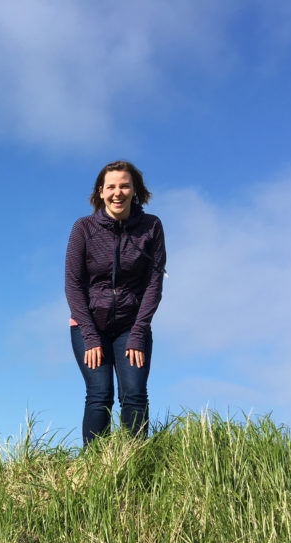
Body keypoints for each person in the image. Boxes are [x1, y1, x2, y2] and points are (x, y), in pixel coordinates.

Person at [64, 160, 166, 445]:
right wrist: (90, 335)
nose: (117, 193)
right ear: (100, 192)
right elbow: (72, 285)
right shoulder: (83, 228)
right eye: (111, 187)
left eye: (124, 186)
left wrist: (138, 333)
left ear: (135, 190)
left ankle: (134, 460)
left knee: (134, 393)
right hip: (88, 325)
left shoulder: (151, 227)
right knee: (100, 393)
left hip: (132, 325)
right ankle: (97, 465)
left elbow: (153, 284)